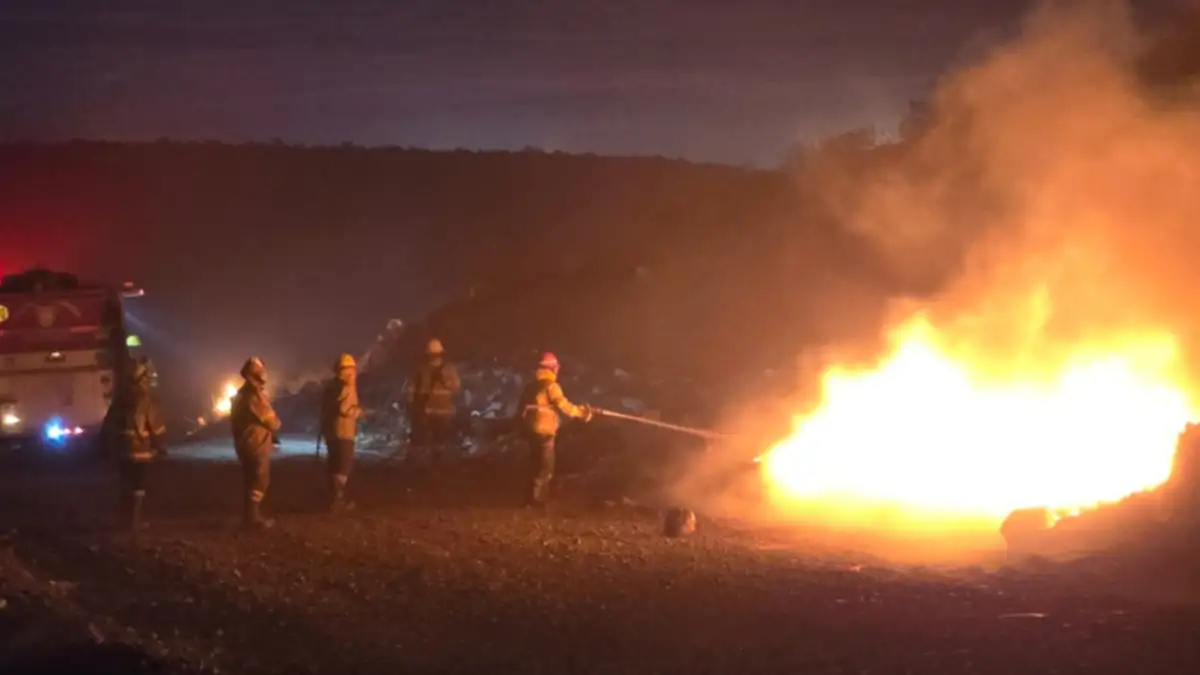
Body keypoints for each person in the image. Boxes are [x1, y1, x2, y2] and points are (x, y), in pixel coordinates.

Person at [516, 352, 593, 510]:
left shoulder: (531, 387)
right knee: (546, 467)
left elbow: (521, 409)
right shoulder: (551, 386)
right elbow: (563, 405)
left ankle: (529, 499)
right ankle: (537, 500)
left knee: (534, 464)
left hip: (530, 430)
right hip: (545, 430)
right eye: (556, 367)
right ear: (551, 368)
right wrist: (581, 413)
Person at [100, 358, 167, 530]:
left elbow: (107, 425)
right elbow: (156, 427)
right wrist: (160, 447)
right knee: (139, 486)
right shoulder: (146, 399)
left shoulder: (120, 399)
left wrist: (106, 448)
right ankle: (135, 521)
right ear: (142, 378)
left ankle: (124, 520)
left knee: (125, 483)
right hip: (141, 451)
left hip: (121, 451)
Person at [230, 356, 281, 530]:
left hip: (246, 442)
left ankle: (249, 516)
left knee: (251, 479)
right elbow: (270, 420)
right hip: (255, 442)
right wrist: (276, 425)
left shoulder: (242, 393)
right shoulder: (254, 395)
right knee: (260, 479)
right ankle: (253, 518)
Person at [405, 338, 461, 467]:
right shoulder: (421, 370)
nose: (434, 358)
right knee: (424, 442)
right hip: (426, 413)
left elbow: (456, 388)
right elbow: (411, 389)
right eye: (432, 355)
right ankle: (427, 467)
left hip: (443, 413)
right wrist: (412, 406)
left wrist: (444, 379)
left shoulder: (448, 369)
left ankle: (439, 465)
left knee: (441, 442)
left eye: (436, 355)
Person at [320, 353, 363, 512]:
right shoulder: (346, 387)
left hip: (331, 432)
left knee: (334, 465)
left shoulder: (331, 387)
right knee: (344, 466)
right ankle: (337, 500)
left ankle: (331, 499)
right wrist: (359, 412)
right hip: (344, 432)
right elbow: (345, 409)